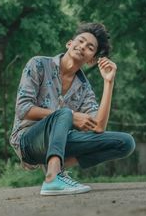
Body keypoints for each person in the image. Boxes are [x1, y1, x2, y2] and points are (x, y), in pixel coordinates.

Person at [10, 22, 135, 196]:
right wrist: (71, 116)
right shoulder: (38, 64)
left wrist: (108, 82)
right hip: (27, 139)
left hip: (60, 143)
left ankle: (57, 166)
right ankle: (53, 178)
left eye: (90, 47)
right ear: (70, 44)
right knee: (65, 114)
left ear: (91, 59)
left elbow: (98, 127)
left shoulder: (84, 89)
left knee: (126, 143)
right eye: (81, 41)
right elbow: (23, 109)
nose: (83, 46)